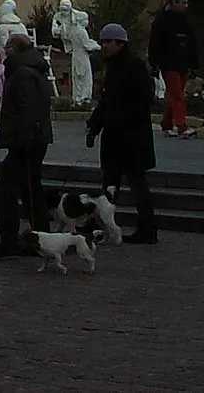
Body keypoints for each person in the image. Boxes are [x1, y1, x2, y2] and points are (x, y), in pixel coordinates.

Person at [87, 23, 158, 243]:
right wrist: (94, 125)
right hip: (114, 137)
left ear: (120, 43)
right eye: (103, 42)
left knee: (137, 185)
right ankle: (101, 226)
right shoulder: (113, 67)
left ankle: (147, 229)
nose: (105, 46)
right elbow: (107, 101)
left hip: (132, 137)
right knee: (109, 185)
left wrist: (117, 119)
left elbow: (143, 100)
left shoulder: (133, 66)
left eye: (108, 42)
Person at [0, 33, 52, 257]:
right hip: (32, 138)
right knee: (31, 189)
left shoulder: (23, 73)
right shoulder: (32, 68)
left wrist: (22, 139)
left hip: (27, 142)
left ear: (15, 49)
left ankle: (10, 240)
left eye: (7, 47)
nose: (5, 51)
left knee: (7, 189)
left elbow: (27, 109)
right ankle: (40, 238)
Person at [149, 0, 199, 138]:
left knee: (175, 95)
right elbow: (155, 44)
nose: (186, 6)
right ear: (174, 3)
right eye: (183, 3)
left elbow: (192, 44)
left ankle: (166, 124)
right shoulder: (162, 21)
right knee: (177, 96)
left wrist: (193, 65)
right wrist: (154, 63)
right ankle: (182, 127)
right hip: (168, 63)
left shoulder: (186, 22)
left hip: (182, 64)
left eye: (186, 3)